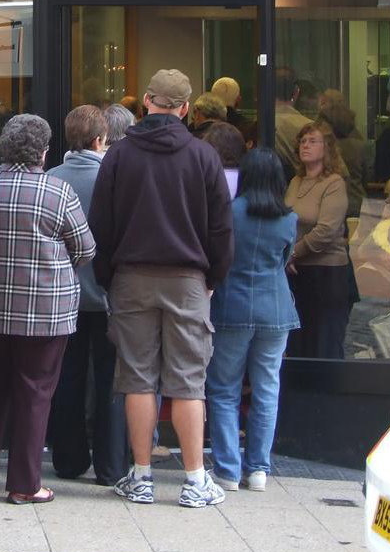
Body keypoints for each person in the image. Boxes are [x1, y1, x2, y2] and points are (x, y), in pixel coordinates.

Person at [90, 69, 233, 509]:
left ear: (146, 101)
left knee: (137, 379)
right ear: (186, 108)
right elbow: (221, 230)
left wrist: (109, 277)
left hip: (131, 277)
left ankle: (142, 476)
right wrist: (211, 280)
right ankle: (194, 480)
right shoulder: (203, 156)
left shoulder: (119, 155)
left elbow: (102, 224)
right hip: (188, 281)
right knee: (189, 382)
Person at [0, 114, 93, 505]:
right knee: (35, 394)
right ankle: (24, 483)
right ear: (45, 152)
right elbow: (85, 250)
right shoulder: (59, 192)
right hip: (45, 313)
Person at [47, 104, 131, 486]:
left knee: (67, 377)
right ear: (101, 140)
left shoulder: (50, 179)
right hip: (109, 295)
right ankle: (111, 465)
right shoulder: (116, 178)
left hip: (63, 297)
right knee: (110, 381)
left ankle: (67, 459)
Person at [210, 149, 301, 492]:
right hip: (276, 310)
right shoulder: (288, 218)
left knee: (223, 390)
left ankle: (228, 470)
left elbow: (217, 257)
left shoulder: (229, 213)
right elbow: (285, 259)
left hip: (232, 308)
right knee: (267, 389)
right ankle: (259, 468)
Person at [287, 120, 354, 361]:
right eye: (302, 141)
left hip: (326, 273)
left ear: (327, 147)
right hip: (297, 273)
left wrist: (292, 253)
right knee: (299, 340)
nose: (305, 145)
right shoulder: (295, 181)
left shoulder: (334, 183)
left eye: (312, 141)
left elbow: (326, 230)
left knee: (324, 341)